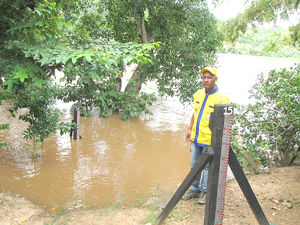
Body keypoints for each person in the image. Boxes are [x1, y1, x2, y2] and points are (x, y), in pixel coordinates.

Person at [182, 66, 230, 205]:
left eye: (209, 77)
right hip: (196, 138)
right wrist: (189, 128)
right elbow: (195, 113)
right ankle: (194, 189)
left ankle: (204, 191)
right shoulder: (198, 94)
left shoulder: (222, 98)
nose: (206, 80)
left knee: (208, 167)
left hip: (210, 140)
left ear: (216, 79)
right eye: (204, 77)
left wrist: (220, 141)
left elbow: (226, 122)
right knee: (194, 164)